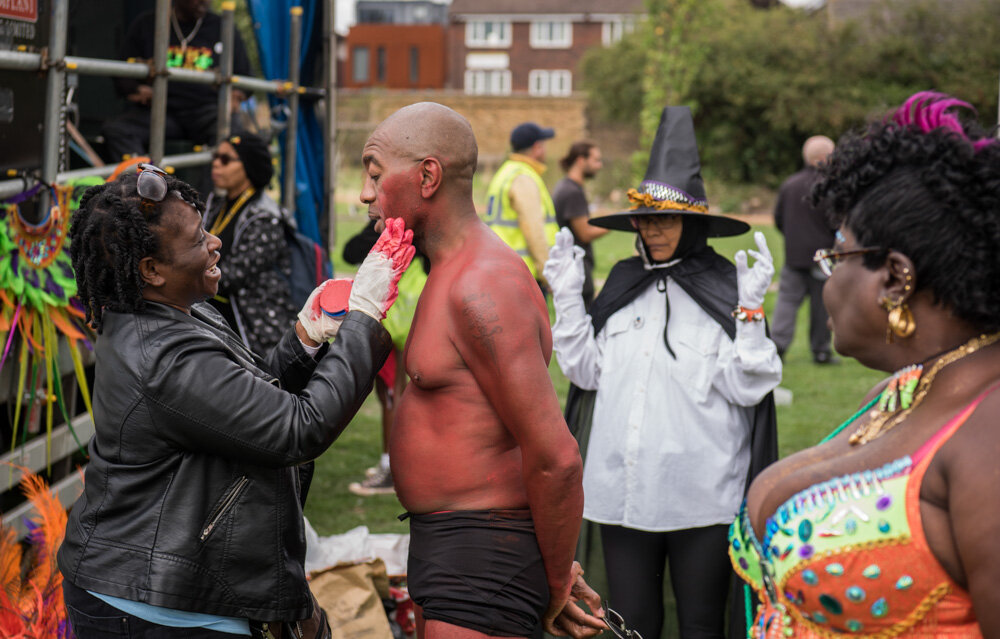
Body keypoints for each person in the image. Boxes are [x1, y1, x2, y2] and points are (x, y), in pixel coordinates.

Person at [57, 165, 414, 637]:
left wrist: (305, 337)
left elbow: (244, 402)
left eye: (205, 228)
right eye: (196, 239)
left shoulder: (183, 312)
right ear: (151, 271)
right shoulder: (163, 355)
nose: (214, 243)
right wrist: (364, 320)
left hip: (174, 588)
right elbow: (297, 427)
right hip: (149, 605)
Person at [729, 91, 1000, 636]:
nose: (828, 278)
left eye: (837, 255)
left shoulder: (989, 429)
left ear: (896, 277)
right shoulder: (910, 389)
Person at [360, 102, 606, 639]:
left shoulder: (482, 283)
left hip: (482, 555)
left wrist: (557, 575)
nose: (364, 193)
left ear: (427, 176)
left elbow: (557, 456)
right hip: (452, 544)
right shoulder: (447, 271)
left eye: (375, 174)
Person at [547, 106, 781, 639]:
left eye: (666, 218)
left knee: (701, 623)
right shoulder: (625, 280)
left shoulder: (725, 288)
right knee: (632, 625)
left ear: (693, 224)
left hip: (702, 494)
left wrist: (748, 313)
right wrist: (568, 297)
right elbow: (586, 371)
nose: (652, 230)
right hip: (623, 495)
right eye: (645, 219)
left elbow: (748, 386)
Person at [342, 219, 430, 496]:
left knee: (394, 394)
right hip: (406, 318)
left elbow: (350, 251)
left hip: (396, 320)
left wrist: (375, 230)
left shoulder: (396, 218)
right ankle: (398, 463)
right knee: (393, 394)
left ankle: (392, 469)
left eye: (375, 178)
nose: (366, 194)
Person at [101, 0, 250, 161]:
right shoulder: (147, 24)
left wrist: (236, 95)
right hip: (161, 110)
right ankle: (145, 182)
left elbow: (245, 76)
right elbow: (121, 71)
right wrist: (136, 90)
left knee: (231, 134)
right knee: (117, 129)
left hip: (206, 111)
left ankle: (207, 188)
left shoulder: (223, 27)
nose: (204, 1)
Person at [202, 133, 296, 354]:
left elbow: (232, 275)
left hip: (253, 331)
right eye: (215, 157)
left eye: (226, 159)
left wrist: (185, 276)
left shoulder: (265, 216)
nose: (216, 163)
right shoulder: (214, 205)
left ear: (249, 166)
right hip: (215, 319)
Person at [771, 135, 838, 364]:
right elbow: (837, 221)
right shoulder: (830, 186)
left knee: (787, 302)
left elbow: (779, 219)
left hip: (795, 255)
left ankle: (777, 346)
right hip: (823, 257)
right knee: (822, 306)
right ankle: (821, 350)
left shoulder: (790, 184)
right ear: (823, 158)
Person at [483, 121, 560, 290]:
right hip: (523, 274)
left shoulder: (506, 172)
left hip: (503, 269)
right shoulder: (523, 177)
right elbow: (534, 229)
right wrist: (547, 273)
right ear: (537, 147)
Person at [552, 141, 609, 310]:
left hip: (573, 269)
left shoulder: (567, 187)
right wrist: (616, 223)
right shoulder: (572, 192)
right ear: (580, 160)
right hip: (577, 271)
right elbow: (585, 233)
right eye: (596, 160)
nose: (600, 165)